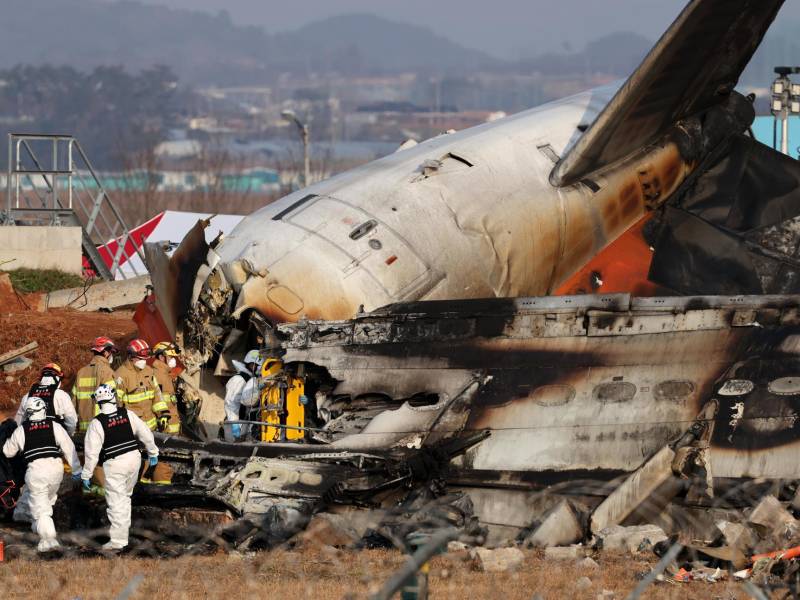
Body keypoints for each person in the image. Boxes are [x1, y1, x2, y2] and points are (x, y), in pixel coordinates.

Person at [81, 384, 159, 551]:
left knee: (117, 502)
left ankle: (118, 542)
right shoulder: (127, 413)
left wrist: (86, 474)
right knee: (125, 498)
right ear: (113, 397)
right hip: (134, 459)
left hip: (115, 464)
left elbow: (92, 454)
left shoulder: (97, 423)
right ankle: (124, 534)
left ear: (97, 402)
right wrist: (153, 452)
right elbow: (145, 433)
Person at [3, 396, 82, 552]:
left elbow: (7, 451)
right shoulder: (53, 425)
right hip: (56, 470)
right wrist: (77, 470)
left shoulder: (22, 430)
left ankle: (49, 541)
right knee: (47, 500)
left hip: (36, 471)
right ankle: (38, 527)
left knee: (41, 510)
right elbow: (68, 447)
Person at [114, 339, 166, 431]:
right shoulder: (121, 375)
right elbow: (117, 405)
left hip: (152, 429)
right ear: (131, 357)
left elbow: (157, 394)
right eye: (140, 358)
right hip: (133, 430)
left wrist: (162, 414)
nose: (143, 361)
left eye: (145, 358)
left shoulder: (149, 371)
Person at [14, 363, 78, 436]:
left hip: (31, 440)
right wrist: (67, 436)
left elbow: (18, 422)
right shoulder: (62, 395)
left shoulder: (28, 395)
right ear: (58, 378)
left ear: (42, 378)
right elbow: (71, 422)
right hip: (55, 440)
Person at [72, 337, 119, 435]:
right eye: (111, 352)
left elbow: (73, 401)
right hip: (102, 427)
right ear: (106, 353)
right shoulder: (107, 372)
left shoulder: (81, 372)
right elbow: (114, 400)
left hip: (84, 429)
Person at [223, 349, 262, 441]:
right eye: (258, 365)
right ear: (252, 365)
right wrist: (234, 423)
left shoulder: (253, 380)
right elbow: (231, 402)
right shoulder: (239, 379)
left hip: (246, 425)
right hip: (236, 426)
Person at [151, 342, 181, 435]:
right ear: (161, 357)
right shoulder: (157, 375)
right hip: (166, 430)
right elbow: (156, 401)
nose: (173, 360)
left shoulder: (165, 374)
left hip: (171, 428)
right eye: (171, 357)